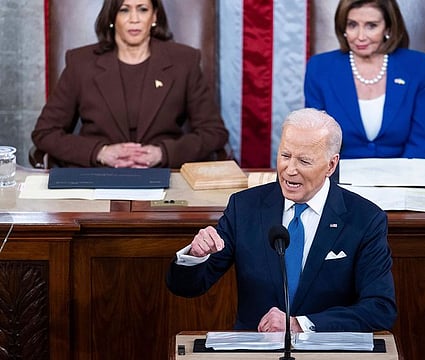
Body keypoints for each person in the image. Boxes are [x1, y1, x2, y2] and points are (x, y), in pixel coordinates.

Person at [167, 108, 397, 333]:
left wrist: (301, 324)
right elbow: (187, 288)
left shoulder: (365, 219)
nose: (290, 170)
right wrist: (195, 257)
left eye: (304, 161)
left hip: (325, 351)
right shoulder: (245, 207)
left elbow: (380, 308)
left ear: (331, 165)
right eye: (285, 156)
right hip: (258, 350)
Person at [31, 0, 229, 168]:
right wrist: (99, 152)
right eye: (124, 9)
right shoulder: (81, 63)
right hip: (98, 177)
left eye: (142, 9)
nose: (134, 19)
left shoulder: (184, 61)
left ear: (154, 16)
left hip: (164, 177)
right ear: (112, 17)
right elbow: (45, 133)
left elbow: (214, 133)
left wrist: (163, 154)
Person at [304, 0, 425, 159]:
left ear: (388, 27)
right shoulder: (319, 68)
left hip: (402, 175)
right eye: (352, 25)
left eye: (371, 26)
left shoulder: (417, 66)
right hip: (340, 175)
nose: (360, 37)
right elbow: (316, 142)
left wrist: (402, 181)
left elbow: (420, 143)